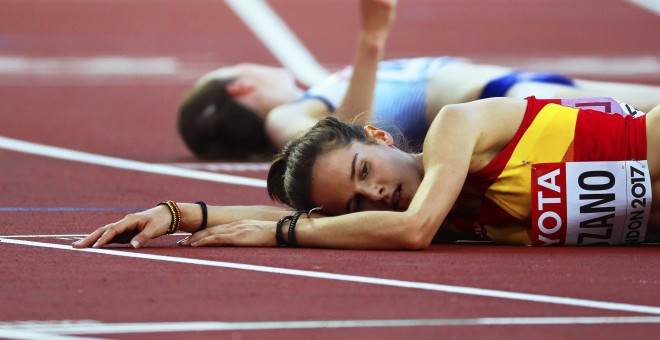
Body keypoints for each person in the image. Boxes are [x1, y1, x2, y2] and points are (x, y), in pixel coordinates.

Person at [72, 95, 660, 250]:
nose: (375, 194)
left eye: (364, 169)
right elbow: (309, 218)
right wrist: (178, 214)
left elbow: (410, 232)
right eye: (358, 203)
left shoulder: (456, 130)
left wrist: (284, 232)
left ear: (378, 136)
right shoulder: (449, 212)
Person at [177, 0, 660, 159]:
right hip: (511, 99)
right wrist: (371, 39)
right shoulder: (284, 116)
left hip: (516, 86)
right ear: (240, 86)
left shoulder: (305, 97)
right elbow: (332, 142)